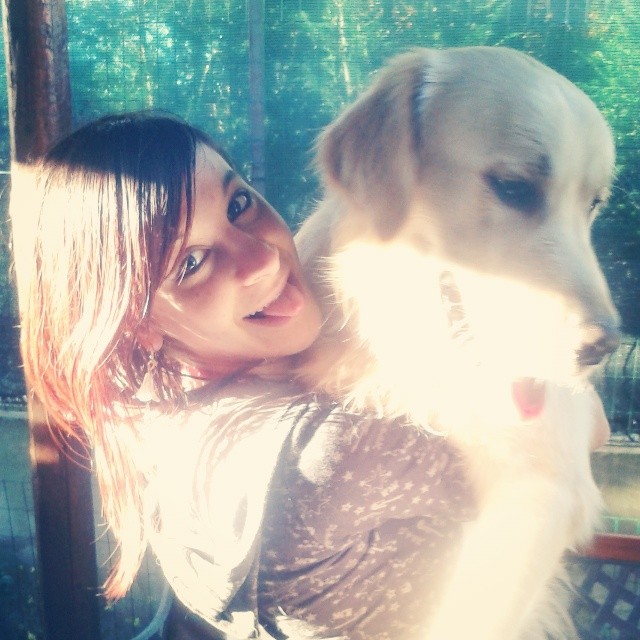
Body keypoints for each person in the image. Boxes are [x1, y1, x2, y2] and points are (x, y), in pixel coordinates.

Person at [16, 112, 607, 640]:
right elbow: (571, 440)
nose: (263, 258)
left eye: (238, 204)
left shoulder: (166, 415)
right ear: (135, 326)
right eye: (191, 263)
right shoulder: (327, 453)